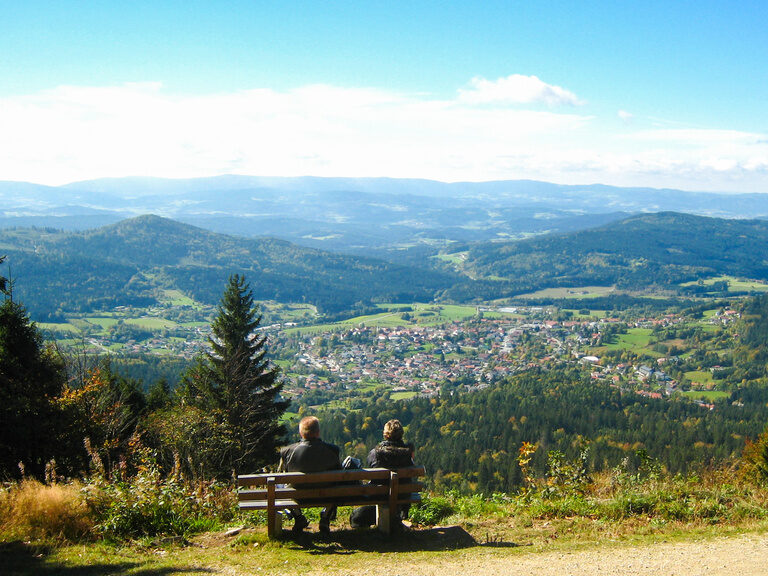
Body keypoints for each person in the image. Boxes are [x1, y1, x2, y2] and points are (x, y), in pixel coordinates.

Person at [279, 416, 342, 533]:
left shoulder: (287, 451)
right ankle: (325, 517)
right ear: (318, 432)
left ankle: (298, 517)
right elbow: (339, 473)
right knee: (336, 487)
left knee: (281, 488)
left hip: (297, 495)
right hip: (326, 494)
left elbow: (282, 475)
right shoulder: (333, 450)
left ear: (300, 433)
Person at [350, 419, 415, 529]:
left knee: (355, 516)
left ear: (385, 435)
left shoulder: (375, 453)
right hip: (402, 495)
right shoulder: (407, 454)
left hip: (378, 494)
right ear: (401, 434)